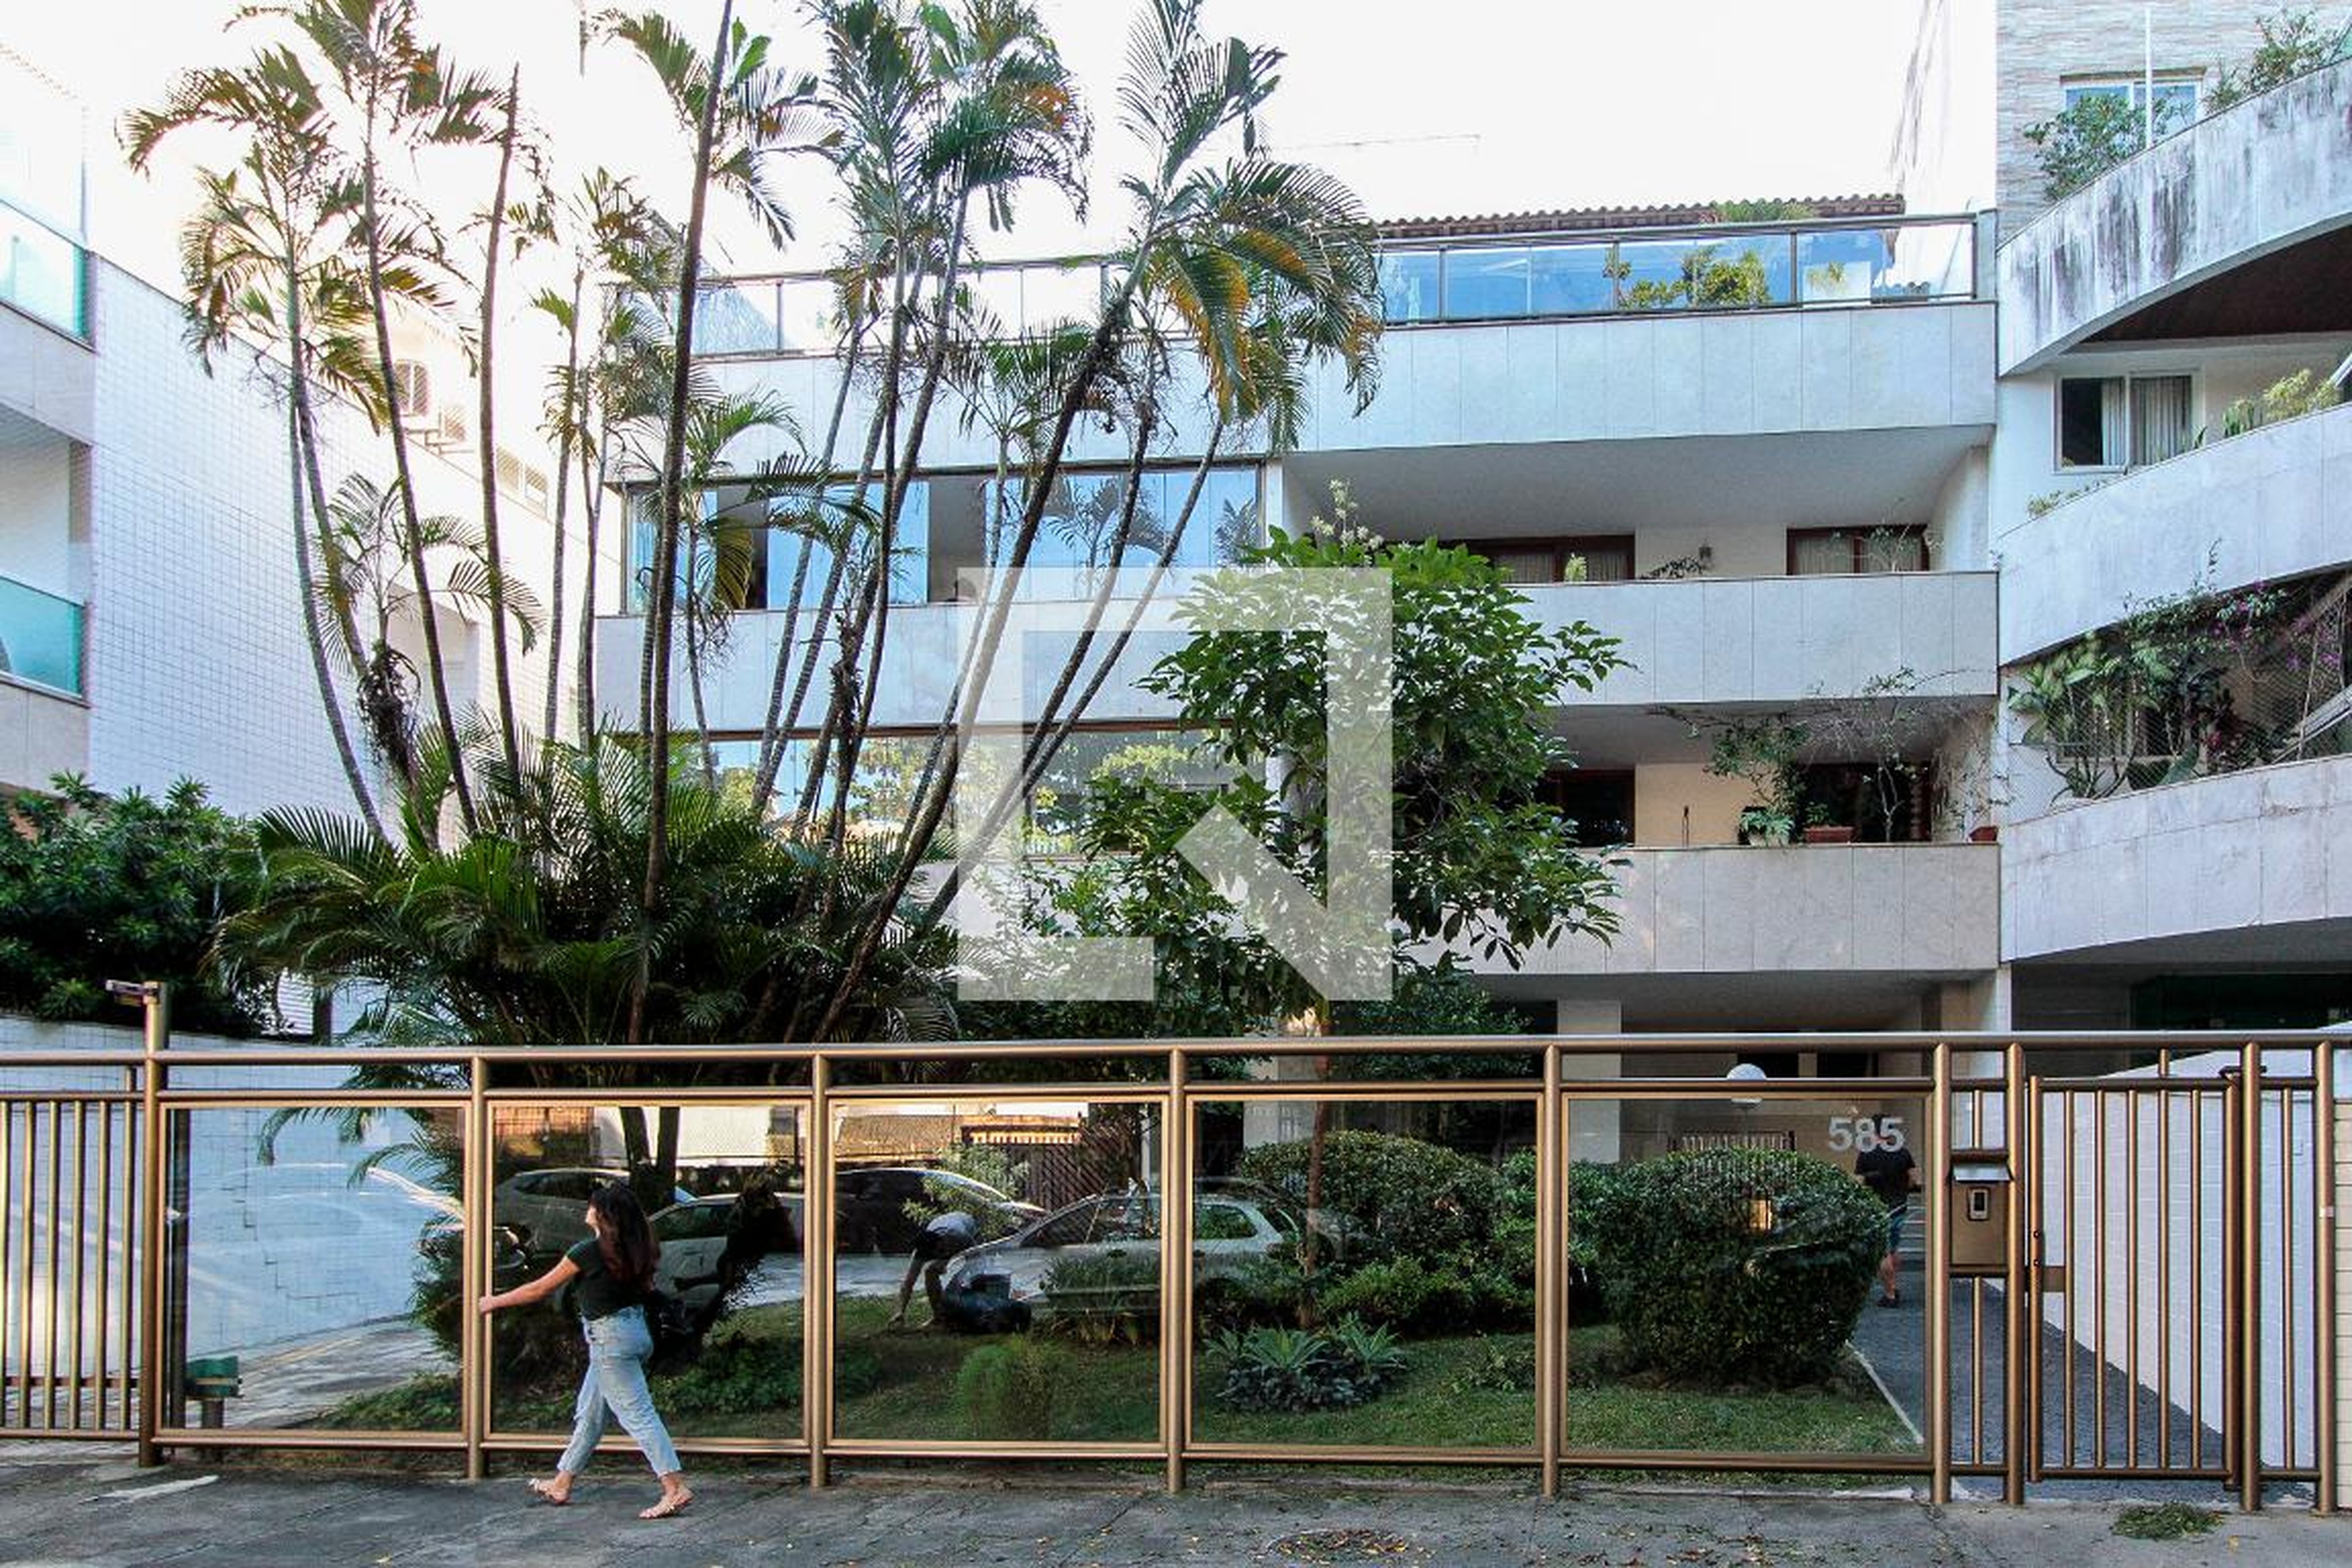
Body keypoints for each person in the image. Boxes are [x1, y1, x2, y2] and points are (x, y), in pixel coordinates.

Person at [478, 1182, 693, 1520]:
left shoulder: (587, 1252)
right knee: (591, 1414)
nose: (587, 1209)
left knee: (638, 1414)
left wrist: (492, 1302)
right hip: (635, 1335)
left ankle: (675, 1487)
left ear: (604, 1215)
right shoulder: (636, 1249)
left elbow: (539, 1289)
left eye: (593, 1205)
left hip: (610, 1342)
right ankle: (561, 1483)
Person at [1853, 1120, 1920, 1308]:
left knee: (1883, 1252)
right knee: (1893, 1249)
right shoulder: (1903, 1153)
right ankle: (1893, 1286)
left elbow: (1859, 1183)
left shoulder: (1867, 1154)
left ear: (1874, 1132)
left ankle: (1890, 1295)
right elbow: (1913, 1180)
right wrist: (1901, 1189)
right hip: (1899, 1206)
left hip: (1878, 1209)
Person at [887, 1207, 978, 1328]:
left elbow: (978, 1260)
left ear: (940, 1245)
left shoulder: (960, 1236)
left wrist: (960, 1278)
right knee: (930, 1271)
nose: (931, 1257)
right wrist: (900, 1311)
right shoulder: (922, 1250)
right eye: (928, 1255)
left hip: (967, 1225)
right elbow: (909, 1282)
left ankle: (975, 1311)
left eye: (935, 1253)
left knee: (973, 1274)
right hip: (943, 1226)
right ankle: (938, 1317)